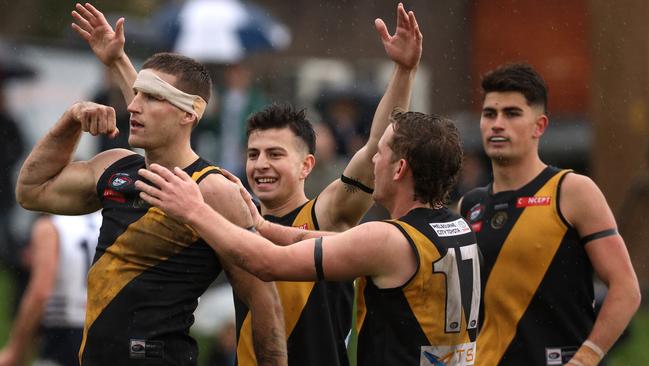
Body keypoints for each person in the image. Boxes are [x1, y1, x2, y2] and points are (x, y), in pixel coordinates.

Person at [71, 2, 422, 365]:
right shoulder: (231, 210)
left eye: (275, 154)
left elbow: (377, 146)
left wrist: (404, 71)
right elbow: (165, 116)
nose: (261, 165)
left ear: (307, 165)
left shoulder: (326, 214)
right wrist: (118, 61)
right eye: (253, 154)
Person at [17, 14, 286, 364]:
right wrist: (70, 121)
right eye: (136, 94)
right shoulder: (115, 165)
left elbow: (264, 300)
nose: (132, 106)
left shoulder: (212, 190)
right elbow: (31, 190)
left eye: (150, 98)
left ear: (190, 114)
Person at [135, 109, 481, 366]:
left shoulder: (386, 239)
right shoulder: (458, 227)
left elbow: (266, 263)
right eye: (253, 154)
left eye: (381, 153)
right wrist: (264, 226)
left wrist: (195, 209)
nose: (373, 159)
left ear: (400, 169)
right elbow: (328, 242)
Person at [459, 63, 641, 366]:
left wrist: (585, 359)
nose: (497, 124)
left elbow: (626, 288)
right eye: (489, 114)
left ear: (540, 126)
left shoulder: (571, 191)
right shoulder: (470, 205)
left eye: (512, 114)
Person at [0, 212, 101, 366]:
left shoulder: (50, 226)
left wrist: (15, 350)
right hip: (106, 330)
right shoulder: (110, 219)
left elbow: (41, 292)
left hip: (65, 334)